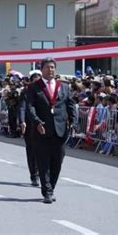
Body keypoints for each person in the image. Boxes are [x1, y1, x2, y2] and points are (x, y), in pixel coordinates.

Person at [27, 57, 77, 204]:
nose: (51, 70)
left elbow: (70, 105)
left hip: (60, 130)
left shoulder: (64, 87)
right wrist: (36, 121)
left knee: (57, 161)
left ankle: (51, 187)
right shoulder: (34, 87)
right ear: (41, 69)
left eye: (53, 67)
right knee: (43, 162)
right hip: (41, 130)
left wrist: (73, 122)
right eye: (47, 67)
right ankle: (47, 191)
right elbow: (30, 107)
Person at [18, 71, 41, 187]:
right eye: (35, 80)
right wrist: (22, 121)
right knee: (31, 150)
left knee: (43, 151)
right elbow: (21, 107)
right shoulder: (26, 92)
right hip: (29, 125)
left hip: (42, 124)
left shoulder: (45, 92)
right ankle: (34, 175)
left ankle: (43, 174)